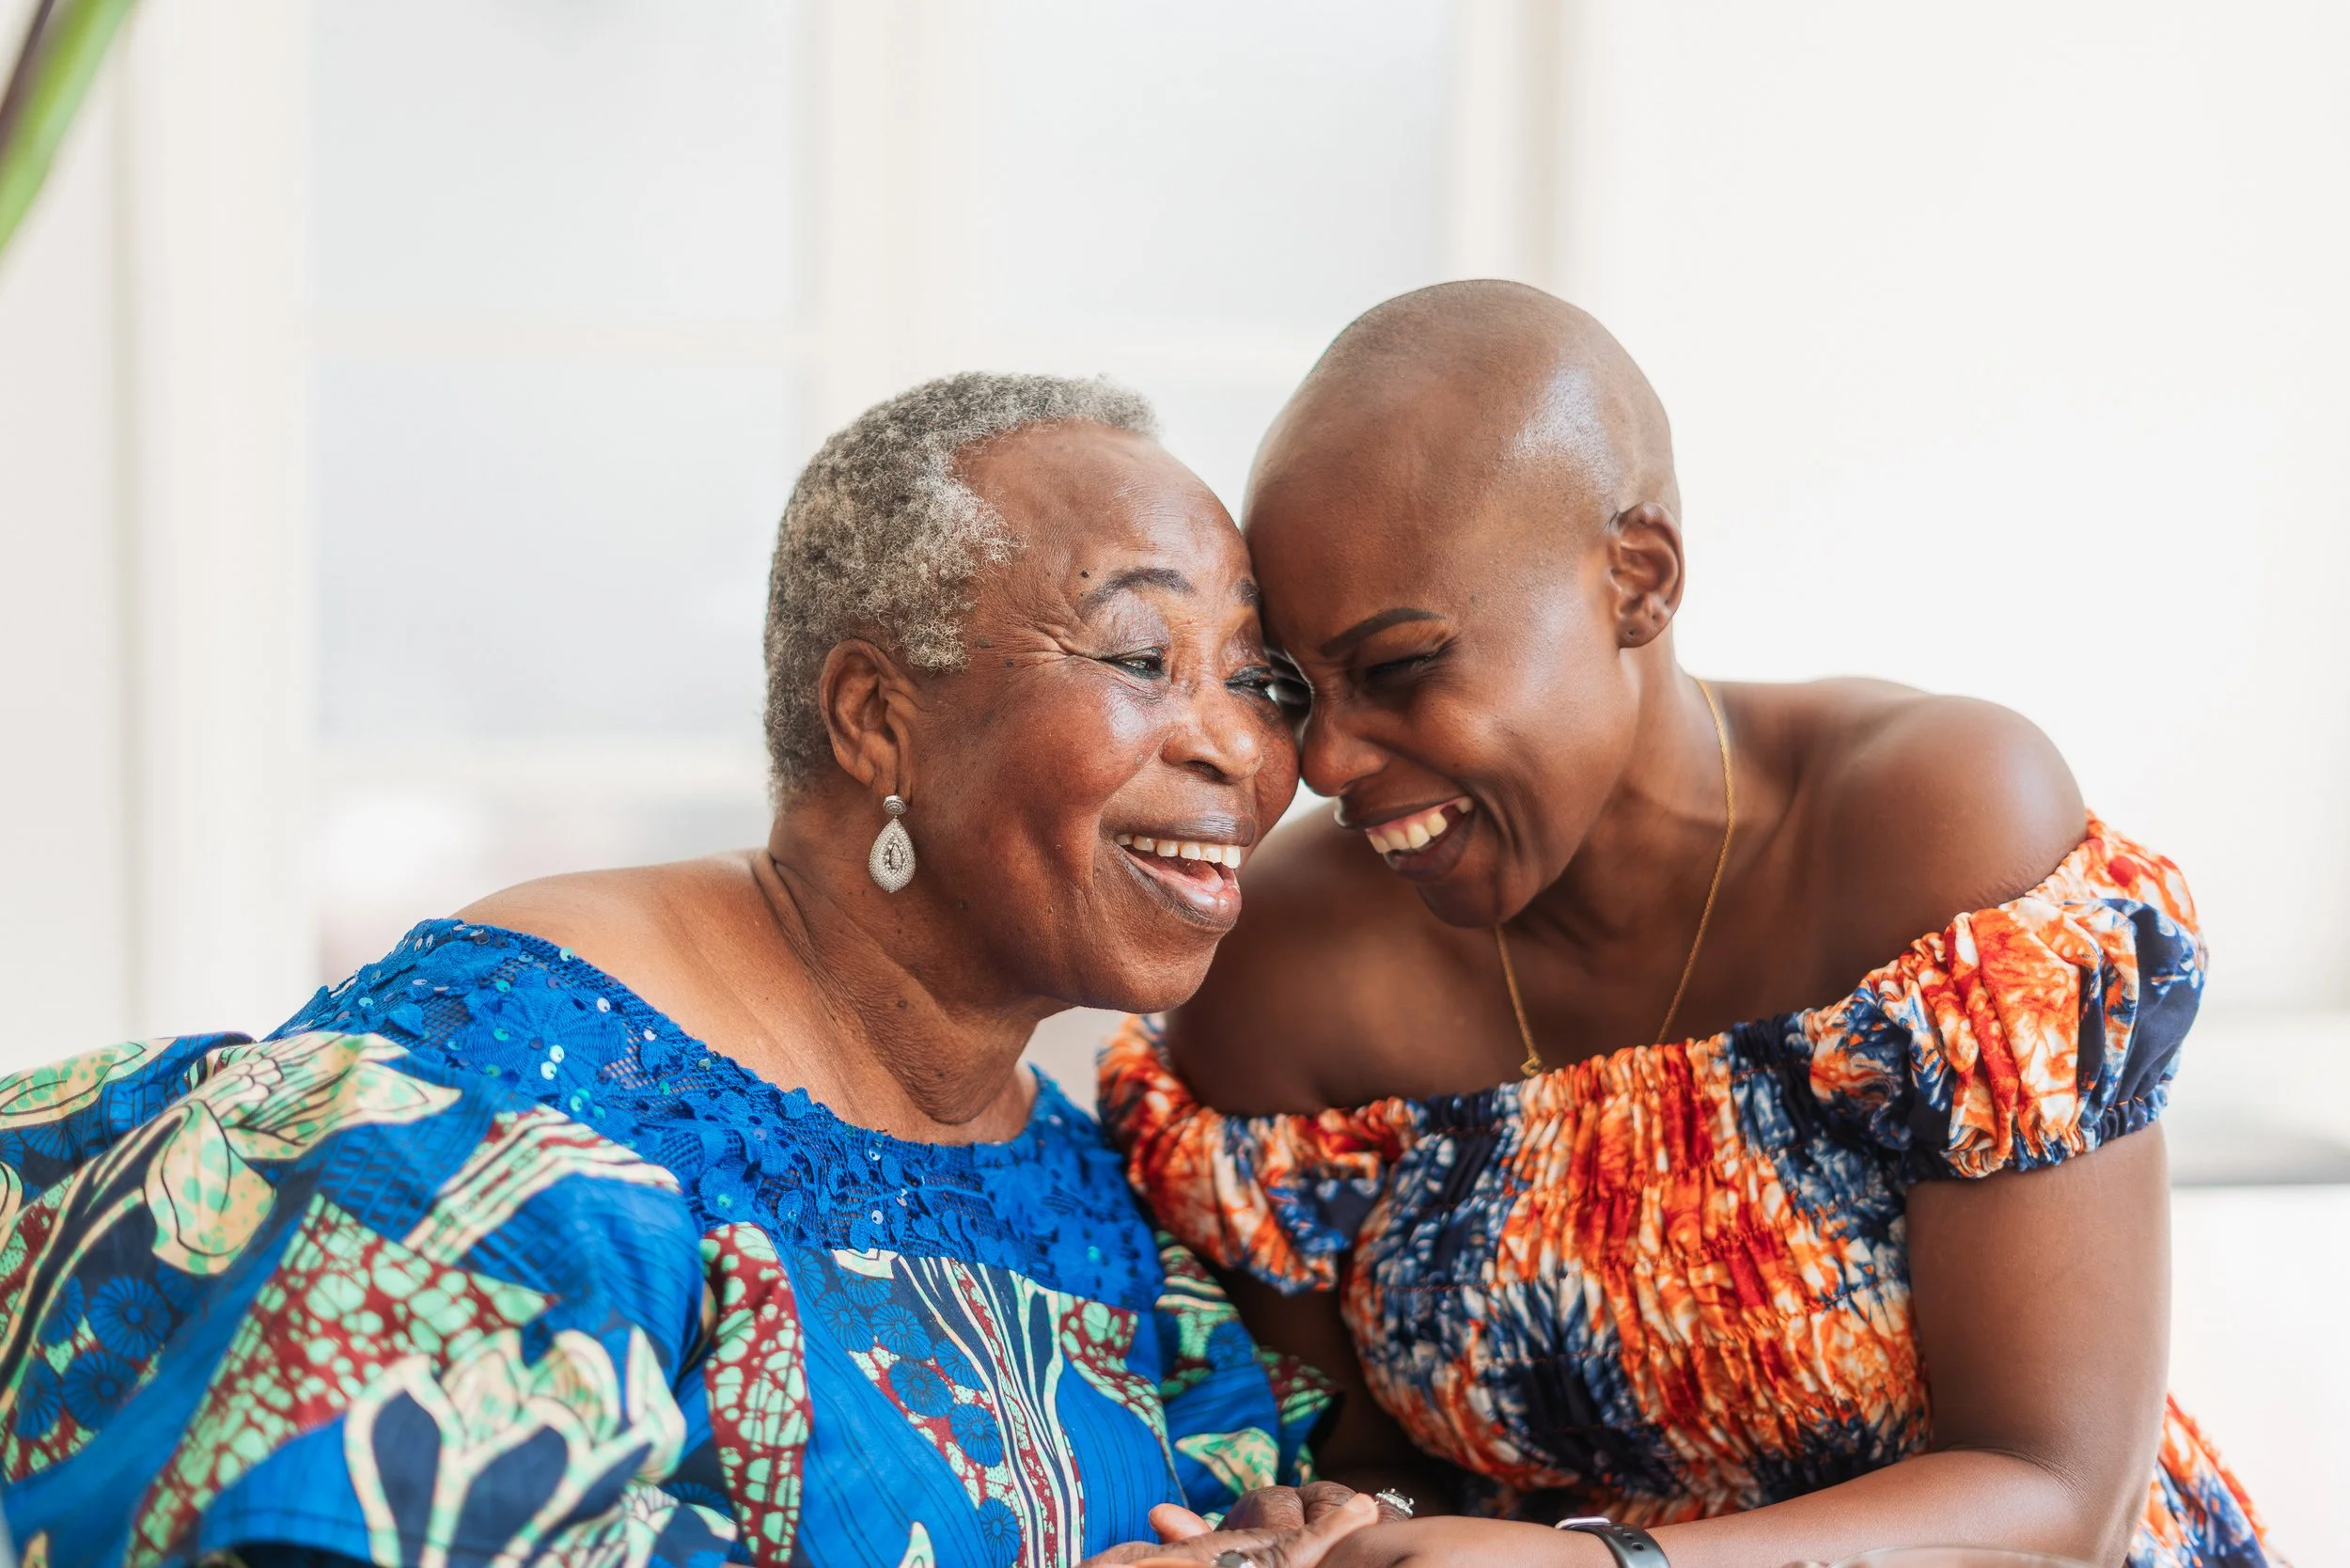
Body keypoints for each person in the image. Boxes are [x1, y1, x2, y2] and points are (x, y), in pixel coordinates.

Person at [0, 373, 1392, 1568]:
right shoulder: (504, 1092)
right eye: (1145, 656)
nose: (1245, 749)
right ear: (875, 718)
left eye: (1259, 679)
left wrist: (1303, 1525)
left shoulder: (1081, 1184)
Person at [1100, 285, 2275, 1568]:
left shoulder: (1934, 829)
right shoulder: (1283, 966)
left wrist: (1607, 1566)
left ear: (1637, 581)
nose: (1325, 763)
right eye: (1296, 691)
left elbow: (2058, 1499)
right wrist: (1343, 1527)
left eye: (1398, 670)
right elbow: (1374, 1458)